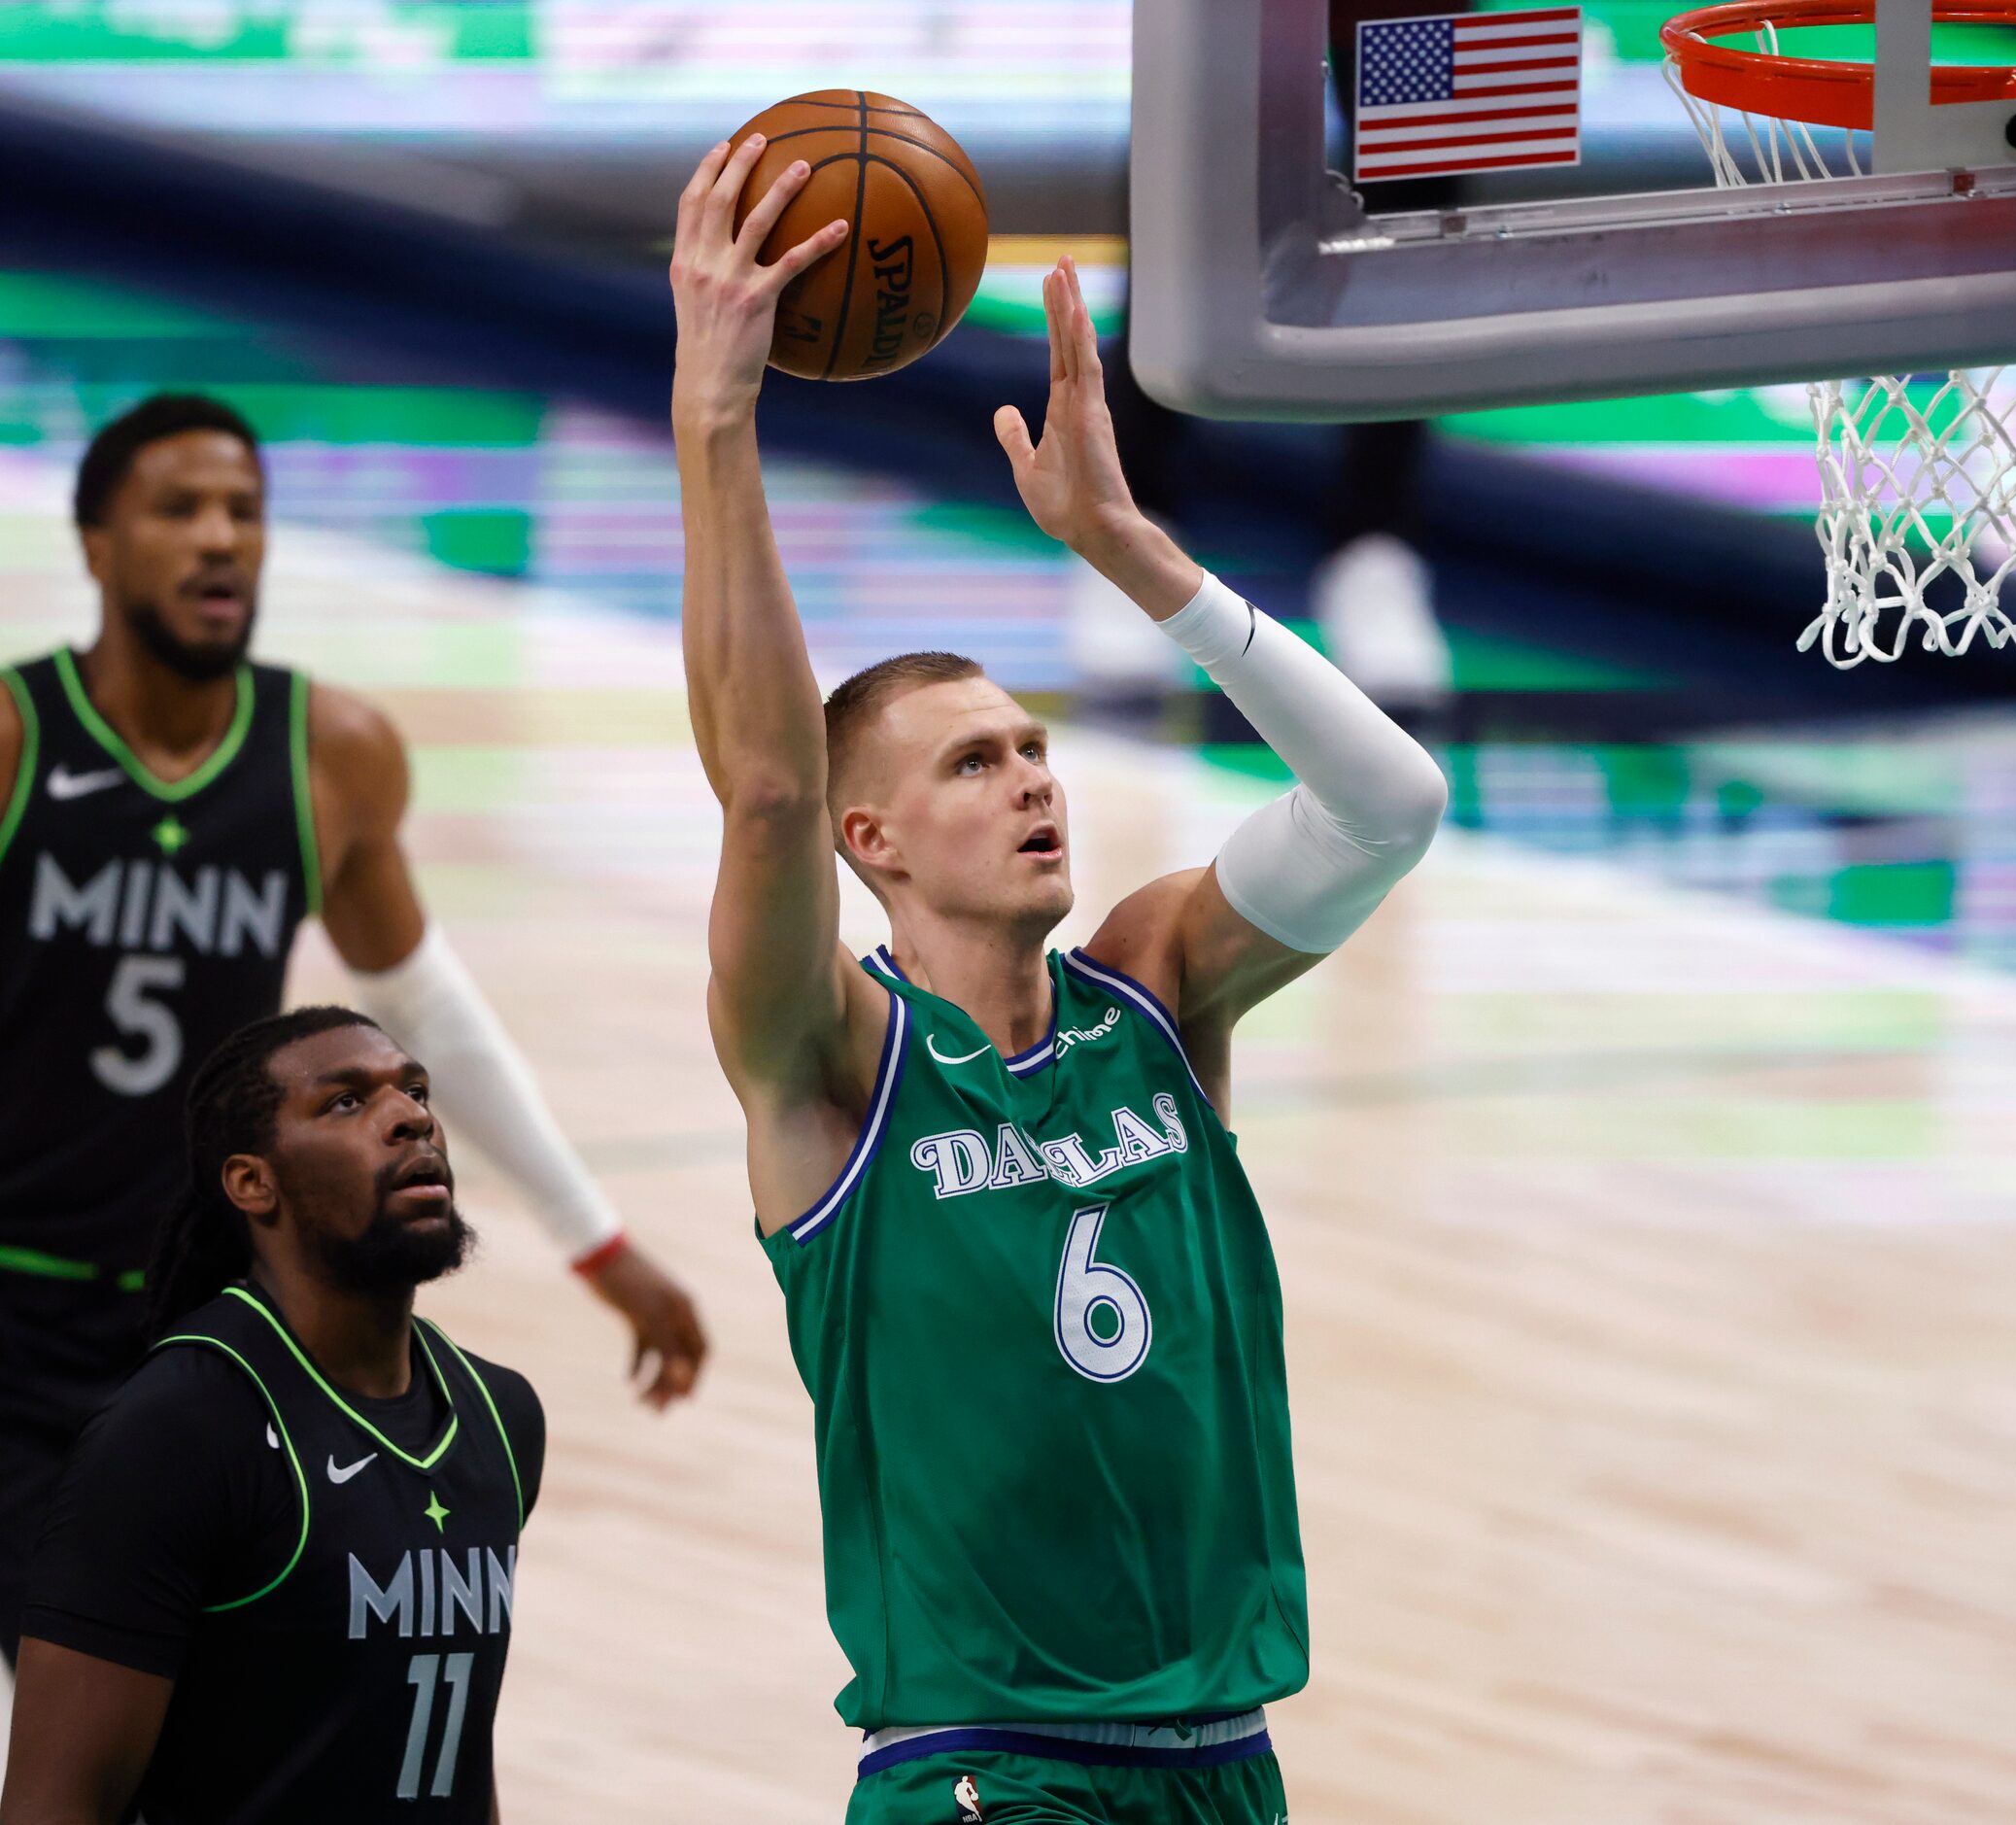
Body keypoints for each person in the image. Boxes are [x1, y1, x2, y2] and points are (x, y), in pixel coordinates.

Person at [670, 135, 1449, 1821]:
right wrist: (716, 427)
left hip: (1223, 1758)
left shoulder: (1156, 990)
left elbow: (1388, 802)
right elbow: (765, 786)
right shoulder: (833, 1063)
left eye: (1031, 747)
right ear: (869, 837)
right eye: (970, 764)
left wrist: (1132, 554)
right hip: (984, 1769)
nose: (1029, 778)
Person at [0, 395, 704, 1665]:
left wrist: (595, 1241)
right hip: (9, 1313)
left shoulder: (329, 754)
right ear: (97, 543)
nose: (221, 539)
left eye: (245, 512)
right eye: (180, 510)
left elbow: (427, 1009)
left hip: (199, 1322)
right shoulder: (13, 738)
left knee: (215, 1734)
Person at [0, 1007, 541, 1824]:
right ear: (253, 1182)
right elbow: (55, 1803)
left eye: (416, 1091)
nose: (412, 1118)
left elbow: (452, 1755)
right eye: (347, 1103)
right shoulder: (180, 1431)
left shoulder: (500, 1415)